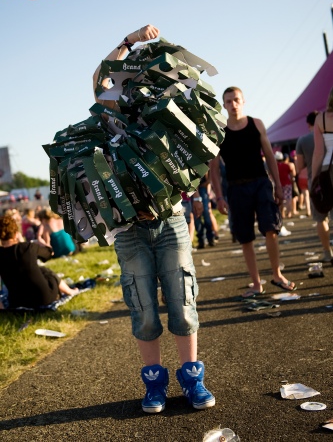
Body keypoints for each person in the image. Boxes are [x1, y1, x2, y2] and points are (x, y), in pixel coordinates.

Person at [93, 24, 215, 414]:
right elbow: (99, 76)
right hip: (128, 229)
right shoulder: (110, 112)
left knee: (182, 302)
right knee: (143, 309)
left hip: (170, 221)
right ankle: (155, 386)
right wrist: (130, 40)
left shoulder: (165, 109)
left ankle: (193, 380)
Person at [210, 86, 297, 298]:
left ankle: (277, 275)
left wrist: (277, 185)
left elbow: (269, 155)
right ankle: (257, 283)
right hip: (236, 188)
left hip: (260, 183)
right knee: (245, 237)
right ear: (224, 105)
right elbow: (213, 168)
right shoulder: (219, 131)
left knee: (271, 229)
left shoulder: (256, 124)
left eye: (236, 100)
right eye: (228, 101)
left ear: (243, 101)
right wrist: (219, 197)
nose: (233, 104)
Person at [0, 215, 78, 310]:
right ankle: (70, 291)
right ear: (16, 233)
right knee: (45, 271)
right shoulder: (28, 247)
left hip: (17, 302)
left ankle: (69, 291)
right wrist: (41, 243)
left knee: (37, 271)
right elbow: (48, 254)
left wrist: (2, 308)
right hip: (44, 298)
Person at [296, 110, 332, 261]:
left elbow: (299, 167)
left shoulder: (303, 140)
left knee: (320, 219)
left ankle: (327, 252)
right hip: (330, 175)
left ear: (308, 124)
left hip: (315, 181)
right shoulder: (328, 133)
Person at [311, 89, 333, 262]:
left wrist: (314, 177)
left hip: (327, 169)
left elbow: (318, 152)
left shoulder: (321, 118)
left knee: (324, 212)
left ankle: (327, 251)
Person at [274, 151, 295, 218]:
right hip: (287, 184)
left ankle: (282, 214)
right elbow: (292, 174)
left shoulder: (275, 167)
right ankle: (289, 213)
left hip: (279, 184)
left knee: (280, 199)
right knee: (288, 198)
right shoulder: (286, 166)